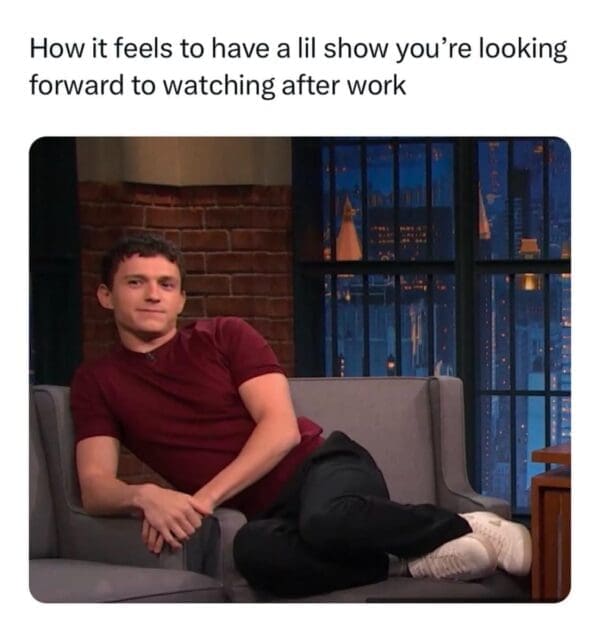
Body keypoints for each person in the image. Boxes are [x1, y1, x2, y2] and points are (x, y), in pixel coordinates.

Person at [70, 233, 532, 597]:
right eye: (136, 283)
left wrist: (202, 500)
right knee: (254, 553)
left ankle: (466, 526)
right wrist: (144, 495)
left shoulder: (224, 335)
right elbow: (94, 486)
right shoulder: (97, 381)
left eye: (166, 284)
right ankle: (401, 561)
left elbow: (281, 431)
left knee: (325, 519)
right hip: (266, 514)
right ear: (106, 295)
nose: (153, 295)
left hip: (323, 466)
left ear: (181, 299)